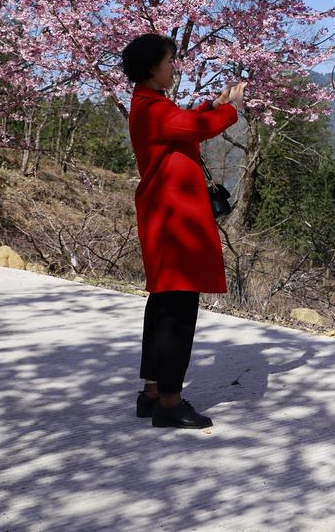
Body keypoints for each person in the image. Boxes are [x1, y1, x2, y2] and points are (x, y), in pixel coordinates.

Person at [123, 32, 245, 431]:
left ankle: (153, 393)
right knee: (177, 312)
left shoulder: (151, 105)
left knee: (162, 307)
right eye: (170, 60)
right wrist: (230, 111)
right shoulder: (152, 108)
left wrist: (214, 104)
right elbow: (193, 127)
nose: (174, 66)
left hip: (167, 218)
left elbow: (185, 120)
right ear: (152, 66)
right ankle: (170, 403)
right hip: (176, 222)